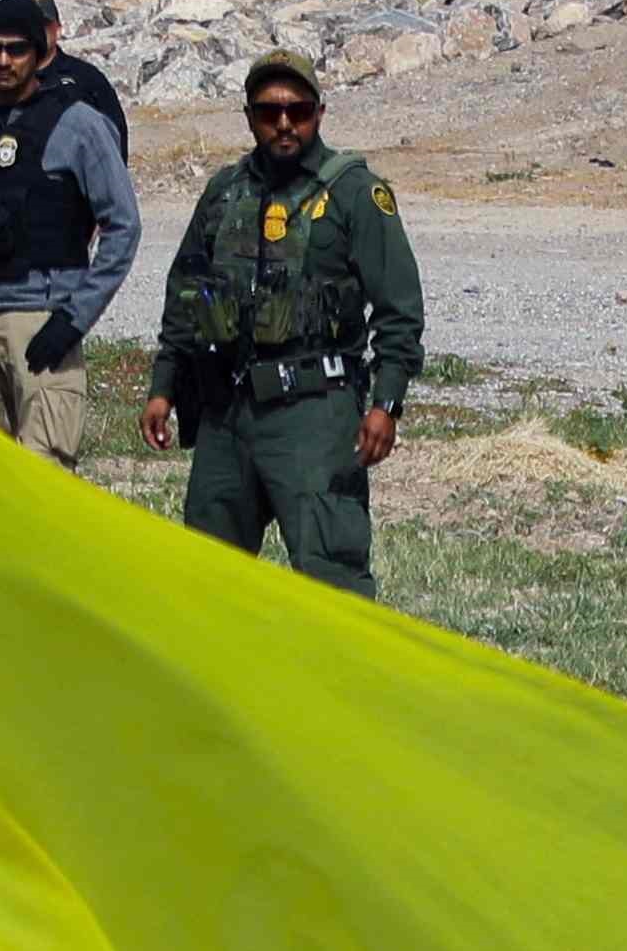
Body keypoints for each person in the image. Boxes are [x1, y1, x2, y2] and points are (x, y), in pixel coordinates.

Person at [144, 50, 426, 599]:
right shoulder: (224, 192)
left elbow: (399, 310)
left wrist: (385, 404)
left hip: (315, 417)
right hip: (228, 414)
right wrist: (164, 387)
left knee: (332, 581)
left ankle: (340, 685)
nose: (283, 123)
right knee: (204, 579)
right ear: (248, 116)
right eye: (269, 111)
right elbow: (185, 294)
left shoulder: (354, 194)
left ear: (320, 112)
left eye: (296, 110)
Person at [0, 0, 139, 468]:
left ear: (38, 54)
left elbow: (123, 226)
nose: (2, 60)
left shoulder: (78, 124)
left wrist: (72, 320)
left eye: (16, 49)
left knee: (44, 477)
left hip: (39, 321)